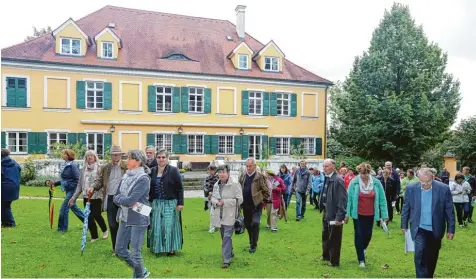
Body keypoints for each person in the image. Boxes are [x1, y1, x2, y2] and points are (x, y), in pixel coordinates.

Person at [401, 168, 455, 278]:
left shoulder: (443, 189)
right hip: (419, 228)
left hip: (436, 229)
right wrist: (404, 224)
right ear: (418, 179)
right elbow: (406, 207)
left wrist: (451, 229)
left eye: (428, 181)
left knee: (432, 257)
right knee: (419, 255)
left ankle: (429, 275)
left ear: (433, 178)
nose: (425, 184)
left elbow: (449, 210)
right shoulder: (411, 188)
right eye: (422, 181)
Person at [113, 150, 151, 279]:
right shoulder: (126, 176)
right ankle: (142, 271)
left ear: (138, 162)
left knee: (135, 252)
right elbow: (115, 197)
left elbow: (130, 200)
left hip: (139, 217)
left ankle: (139, 275)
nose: (126, 161)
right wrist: (121, 200)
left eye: (129, 158)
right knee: (119, 249)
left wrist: (121, 199)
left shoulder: (144, 179)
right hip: (124, 216)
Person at [344, 162, 388, 268]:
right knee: (359, 234)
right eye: (363, 173)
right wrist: (346, 214)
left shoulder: (376, 183)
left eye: (367, 173)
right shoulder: (354, 182)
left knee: (368, 235)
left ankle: (362, 248)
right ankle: (361, 260)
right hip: (358, 214)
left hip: (371, 214)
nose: (365, 175)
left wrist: (385, 215)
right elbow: (348, 199)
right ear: (359, 172)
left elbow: (382, 199)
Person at [89, 145, 127, 254]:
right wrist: (93, 187)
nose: (116, 156)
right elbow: (99, 181)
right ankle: (116, 248)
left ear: (121, 155)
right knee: (112, 224)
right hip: (111, 198)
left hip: (124, 198)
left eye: (118, 154)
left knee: (125, 224)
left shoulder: (127, 166)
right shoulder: (105, 168)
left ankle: (124, 247)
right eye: (113, 154)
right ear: (110, 156)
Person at [148, 149, 184, 256]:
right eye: (159, 157)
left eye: (163, 157)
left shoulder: (173, 170)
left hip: (170, 202)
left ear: (167, 158)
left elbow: (180, 188)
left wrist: (180, 203)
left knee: (169, 226)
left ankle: (171, 248)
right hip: (156, 202)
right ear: (156, 158)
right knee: (156, 225)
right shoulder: (152, 171)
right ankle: (157, 247)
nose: (161, 159)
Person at [69, 150, 108, 242]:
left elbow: (102, 182)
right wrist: (73, 198)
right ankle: (94, 236)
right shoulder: (83, 170)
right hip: (86, 196)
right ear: (86, 158)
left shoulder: (100, 168)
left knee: (97, 215)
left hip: (97, 196)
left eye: (92, 155)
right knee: (89, 216)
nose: (90, 157)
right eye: (88, 156)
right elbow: (79, 185)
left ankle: (105, 230)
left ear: (95, 157)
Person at [210, 165, 243, 268]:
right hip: (219, 215)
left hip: (231, 215)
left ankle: (226, 260)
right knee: (224, 236)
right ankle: (230, 251)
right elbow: (213, 198)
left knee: (227, 237)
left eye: (223, 172)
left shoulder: (235, 184)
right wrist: (216, 202)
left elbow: (239, 199)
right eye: (219, 172)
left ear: (228, 173)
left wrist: (225, 202)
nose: (221, 174)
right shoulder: (216, 184)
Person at [317, 159, 347, 267]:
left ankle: (334, 261)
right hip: (327, 211)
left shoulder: (338, 180)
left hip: (335, 213)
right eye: (324, 166)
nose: (325, 168)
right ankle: (326, 256)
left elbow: (342, 200)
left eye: (327, 166)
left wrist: (340, 217)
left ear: (333, 167)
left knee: (334, 238)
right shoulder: (327, 177)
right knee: (325, 235)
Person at [49, 149, 85, 232]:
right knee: (73, 207)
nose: (63, 155)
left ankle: (62, 229)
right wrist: (54, 183)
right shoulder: (66, 164)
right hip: (68, 189)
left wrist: (72, 187)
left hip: (73, 190)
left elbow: (78, 179)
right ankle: (88, 222)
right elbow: (65, 179)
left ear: (69, 155)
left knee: (64, 208)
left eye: (64, 154)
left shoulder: (73, 165)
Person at [239, 157, 269, 253]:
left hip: (256, 205)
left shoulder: (260, 176)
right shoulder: (243, 175)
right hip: (246, 205)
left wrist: (262, 200)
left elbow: (266, 190)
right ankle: (251, 241)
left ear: (255, 166)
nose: (248, 168)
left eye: (250, 166)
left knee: (255, 223)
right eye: (247, 166)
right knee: (248, 225)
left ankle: (253, 245)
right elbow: (239, 188)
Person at [1, 148, 21, 227]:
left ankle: (11, 223)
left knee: (5, 206)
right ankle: (5, 222)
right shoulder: (15, 163)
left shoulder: (2, 164)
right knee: (4, 205)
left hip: (5, 187)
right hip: (14, 186)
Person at [203, 164, 219, 233]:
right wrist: (208, 194)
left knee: (213, 213)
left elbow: (217, 188)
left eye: (211, 170)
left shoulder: (217, 178)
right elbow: (205, 186)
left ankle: (212, 228)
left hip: (215, 198)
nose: (210, 171)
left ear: (215, 170)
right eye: (209, 170)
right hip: (207, 198)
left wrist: (211, 193)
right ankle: (216, 225)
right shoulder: (207, 178)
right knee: (211, 212)